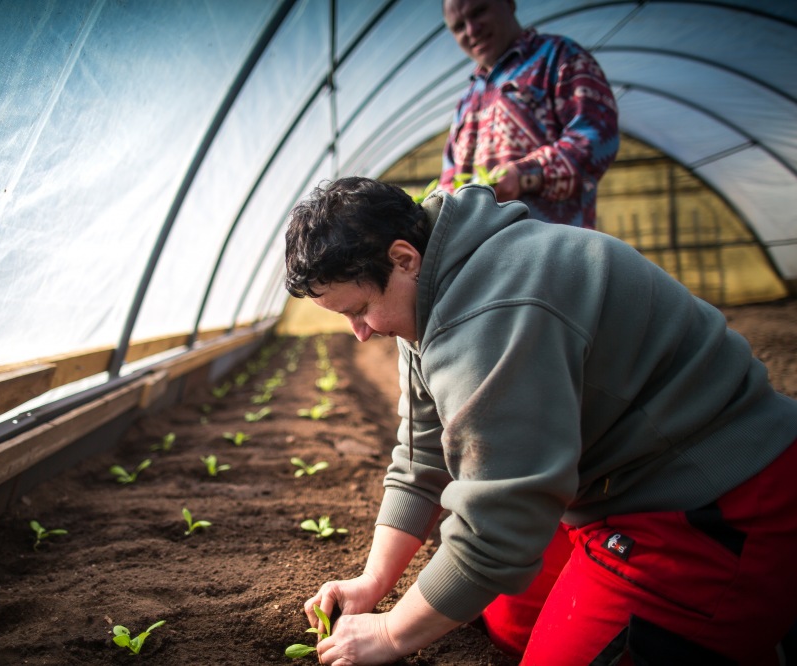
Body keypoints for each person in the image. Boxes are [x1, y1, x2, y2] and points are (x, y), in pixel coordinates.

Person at [284, 176, 797, 665]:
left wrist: (392, 632)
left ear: (402, 258)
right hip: (610, 483)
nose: (360, 334)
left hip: (719, 501)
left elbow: (499, 526)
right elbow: (421, 459)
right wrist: (373, 584)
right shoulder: (429, 294)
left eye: (360, 310)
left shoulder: (491, 315)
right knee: (509, 624)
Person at [440, 0, 619, 229]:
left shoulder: (560, 58)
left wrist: (524, 174)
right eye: (459, 27)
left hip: (555, 249)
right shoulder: (467, 101)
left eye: (479, 12)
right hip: (487, 257)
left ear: (509, 3)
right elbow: (450, 177)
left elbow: (597, 138)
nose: (472, 30)